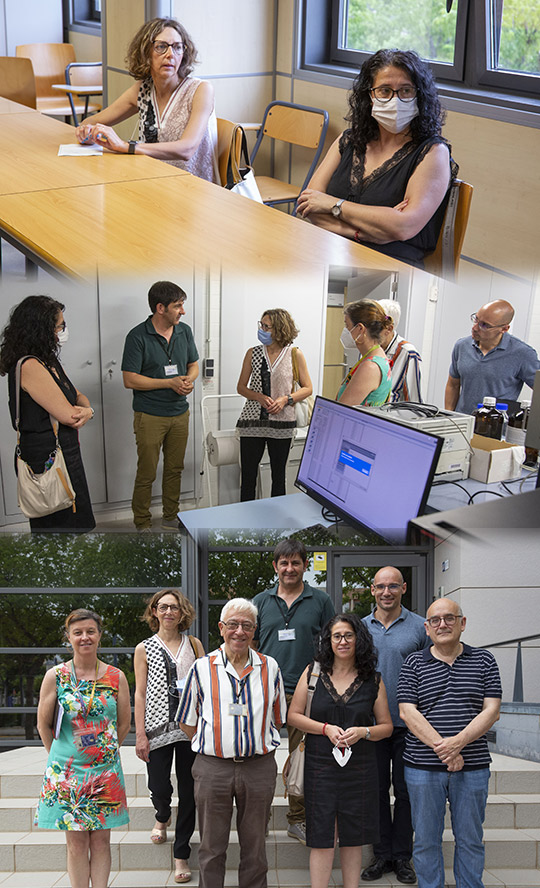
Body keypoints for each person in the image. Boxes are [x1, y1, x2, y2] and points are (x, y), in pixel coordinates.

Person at [296, 49, 457, 268]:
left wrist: (333, 205)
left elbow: (404, 227)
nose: (395, 99)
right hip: (329, 252)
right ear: (370, 96)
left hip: (391, 266)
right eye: (384, 90)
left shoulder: (433, 153)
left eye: (406, 91)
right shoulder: (349, 139)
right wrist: (368, 230)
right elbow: (309, 204)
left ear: (419, 96)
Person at [177, 598, 287, 888]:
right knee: (211, 847)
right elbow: (187, 721)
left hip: (258, 767)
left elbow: (277, 717)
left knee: (255, 848)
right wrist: (216, 744)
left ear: (254, 630)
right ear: (221, 628)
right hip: (213, 768)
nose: (240, 631)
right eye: (233, 625)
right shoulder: (201, 668)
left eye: (247, 626)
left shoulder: (270, 667)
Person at [397, 598, 502, 888]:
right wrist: (446, 750)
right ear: (426, 628)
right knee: (426, 841)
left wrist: (457, 744)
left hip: (473, 766)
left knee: (470, 840)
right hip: (422, 767)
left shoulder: (484, 660)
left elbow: (491, 710)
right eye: (435, 620)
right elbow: (407, 711)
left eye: (449, 618)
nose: (442, 624)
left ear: (462, 623)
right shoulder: (413, 662)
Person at [288, 614, 393, 888]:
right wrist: (325, 729)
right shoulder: (313, 672)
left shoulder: (373, 679)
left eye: (348, 635)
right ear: (329, 641)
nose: (343, 641)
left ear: (358, 639)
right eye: (337, 636)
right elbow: (293, 716)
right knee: (322, 834)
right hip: (319, 764)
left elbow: (387, 727)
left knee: (353, 835)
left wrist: (363, 732)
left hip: (360, 766)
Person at [35, 609, 130, 888]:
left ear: (99, 636)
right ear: (69, 638)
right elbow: (43, 725)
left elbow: (124, 723)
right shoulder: (56, 676)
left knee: (101, 840)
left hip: (104, 771)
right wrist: (60, 758)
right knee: (75, 842)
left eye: (90, 631)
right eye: (78, 633)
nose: (84, 637)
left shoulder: (116, 677)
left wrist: (104, 753)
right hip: (66, 772)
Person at [252, 537, 335, 844]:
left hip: (308, 691)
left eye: (295, 563)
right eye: (284, 563)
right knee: (258, 758)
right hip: (266, 692)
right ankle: (256, 820)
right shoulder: (260, 602)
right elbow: (250, 645)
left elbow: (332, 645)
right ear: (276, 566)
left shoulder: (320, 601)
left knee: (304, 759)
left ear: (304, 565)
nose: (289, 568)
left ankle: (297, 819)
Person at [76, 17, 219, 182]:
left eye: (177, 47)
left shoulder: (201, 90)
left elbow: (186, 149)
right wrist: (85, 132)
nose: (170, 54)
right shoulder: (143, 89)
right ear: (146, 53)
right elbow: (91, 122)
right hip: (153, 180)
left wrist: (124, 146)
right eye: (161, 47)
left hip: (193, 188)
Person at [0, 295, 96, 532]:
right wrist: (86, 412)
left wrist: (86, 408)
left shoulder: (47, 359)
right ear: (41, 330)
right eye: (59, 326)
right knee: (58, 531)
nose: (63, 331)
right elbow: (69, 416)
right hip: (47, 458)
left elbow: (77, 395)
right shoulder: (30, 365)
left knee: (74, 523)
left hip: (65, 450)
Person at [361, 567, 430, 885]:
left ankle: (402, 857)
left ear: (403, 588)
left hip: (409, 725)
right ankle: (382, 854)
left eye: (393, 586)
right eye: (380, 587)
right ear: (372, 590)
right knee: (375, 792)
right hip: (372, 726)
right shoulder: (361, 628)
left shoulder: (420, 627)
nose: (386, 592)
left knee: (405, 792)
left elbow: (431, 672)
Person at [134, 588, 205, 884]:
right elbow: (139, 692)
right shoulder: (144, 648)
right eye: (162, 607)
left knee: (189, 792)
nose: (168, 612)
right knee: (159, 786)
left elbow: (206, 686)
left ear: (182, 612)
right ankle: (162, 815)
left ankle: (181, 854)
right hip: (156, 728)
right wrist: (139, 734)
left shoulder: (195, 644)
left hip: (190, 729)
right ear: (154, 611)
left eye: (174, 607)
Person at [121, 280, 199, 531]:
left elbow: (193, 364)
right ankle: (142, 524)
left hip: (179, 413)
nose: (183, 311)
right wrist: (169, 383)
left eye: (182, 305)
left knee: (175, 469)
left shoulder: (184, 331)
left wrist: (189, 380)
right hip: (150, 416)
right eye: (178, 306)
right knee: (147, 472)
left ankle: (170, 517)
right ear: (160, 308)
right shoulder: (137, 336)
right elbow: (129, 379)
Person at [236, 308, 312, 501]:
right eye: (261, 325)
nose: (262, 329)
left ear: (279, 329)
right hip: (252, 422)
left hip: (283, 422)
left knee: (279, 478)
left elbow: (307, 388)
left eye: (266, 326)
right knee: (248, 478)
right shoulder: (252, 353)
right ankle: (245, 522)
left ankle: (276, 524)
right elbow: (241, 387)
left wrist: (286, 399)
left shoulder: (294, 354)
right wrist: (258, 397)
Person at [445, 300, 540, 415]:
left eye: (484, 325)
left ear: (504, 329)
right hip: (463, 422)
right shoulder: (462, 346)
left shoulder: (523, 354)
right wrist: (448, 416)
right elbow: (453, 384)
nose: (475, 328)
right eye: (476, 319)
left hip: (496, 427)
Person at [337, 299, 392, 407]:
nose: (346, 331)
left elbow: (341, 412)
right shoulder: (378, 357)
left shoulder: (370, 367)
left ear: (360, 329)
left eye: (347, 326)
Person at [377, 299, 422, 402]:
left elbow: (414, 402)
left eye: (375, 324)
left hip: (391, 416)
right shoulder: (369, 349)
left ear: (389, 328)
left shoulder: (408, 353)